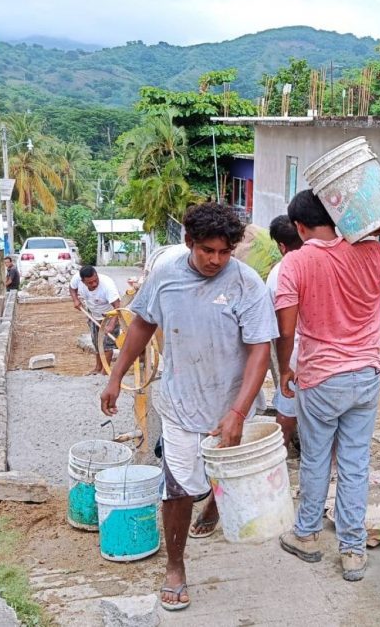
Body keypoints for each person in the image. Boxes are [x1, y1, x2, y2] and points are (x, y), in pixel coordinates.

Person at [99, 202, 277, 612]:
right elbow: (143, 322)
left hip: (233, 405)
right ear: (189, 242)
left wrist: (237, 413)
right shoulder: (165, 276)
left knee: (225, 475)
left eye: (225, 252)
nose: (216, 260)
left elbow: (258, 352)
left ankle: (214, 503)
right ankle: (176, 567)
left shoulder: (248, 285)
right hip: (180, 405)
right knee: (177, 490)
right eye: (207, 251)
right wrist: (115, 377)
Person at [274, 190, 380, 582]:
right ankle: (353, 551)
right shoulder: (373, 253)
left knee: (316, 460)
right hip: (365, 376)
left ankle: (307, 535)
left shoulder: (296, 263)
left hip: (320, 378)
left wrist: (283, 371)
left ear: (299, 226)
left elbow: (286, 329)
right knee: (355, 464)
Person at [265, 215, 303, 449]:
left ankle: (282, 450)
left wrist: (283, 365)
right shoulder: (322, 262)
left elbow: (283, 329)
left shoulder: (279, 273)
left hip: (292, 351)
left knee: (287, 401)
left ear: (281, 246)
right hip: (324, 353)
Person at [69, 265, 122, 375]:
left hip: (110, 315)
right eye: (90, 283)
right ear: (83, 281)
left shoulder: (107, 285)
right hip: (93, 314)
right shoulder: (76, 279)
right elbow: (72, 287)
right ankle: (98, 368)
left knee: (107, 345)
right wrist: (75, 300)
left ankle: (104, 372)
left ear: (97, 275)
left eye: (95, 280)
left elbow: (118, 307)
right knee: (97, 343)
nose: (94, 284)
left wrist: (112, 325)